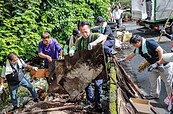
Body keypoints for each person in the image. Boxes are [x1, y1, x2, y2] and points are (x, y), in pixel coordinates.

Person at [118, 35, 173, 99]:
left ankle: (171, 99)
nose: (134, 46)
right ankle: (154, 95)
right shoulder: (139, 48)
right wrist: (123, 59)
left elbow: (160, 50)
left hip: (164, 65)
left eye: (134, 44)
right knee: (153, 80)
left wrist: (160, 63)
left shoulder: (149, 43)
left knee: (168, 83)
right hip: (154, 65)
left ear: (138, 42)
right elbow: (132, 54)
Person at [74, 20, 106, 112]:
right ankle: (90, 101)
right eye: (82, 32)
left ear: (89, 29)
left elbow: (103, 37)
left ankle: (98, 102)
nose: (84, 34)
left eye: (86, 31)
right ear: (79, 31)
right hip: (86, 66)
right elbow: (74, 47)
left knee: (98, 84)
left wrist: (94, 43)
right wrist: (71, 50)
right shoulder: (79, 41)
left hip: (97, 66)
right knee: (86, 84)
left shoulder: (94, 36)